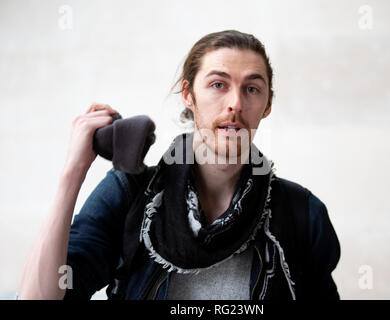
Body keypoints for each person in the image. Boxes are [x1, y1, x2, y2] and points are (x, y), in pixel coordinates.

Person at [17, 30, 341, 300]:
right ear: (188, 94)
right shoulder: (129, 195)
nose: (236, 103)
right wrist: (73, 171)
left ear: (266, 104)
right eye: (218, 84)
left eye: (252, 89)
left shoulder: (302, 214)